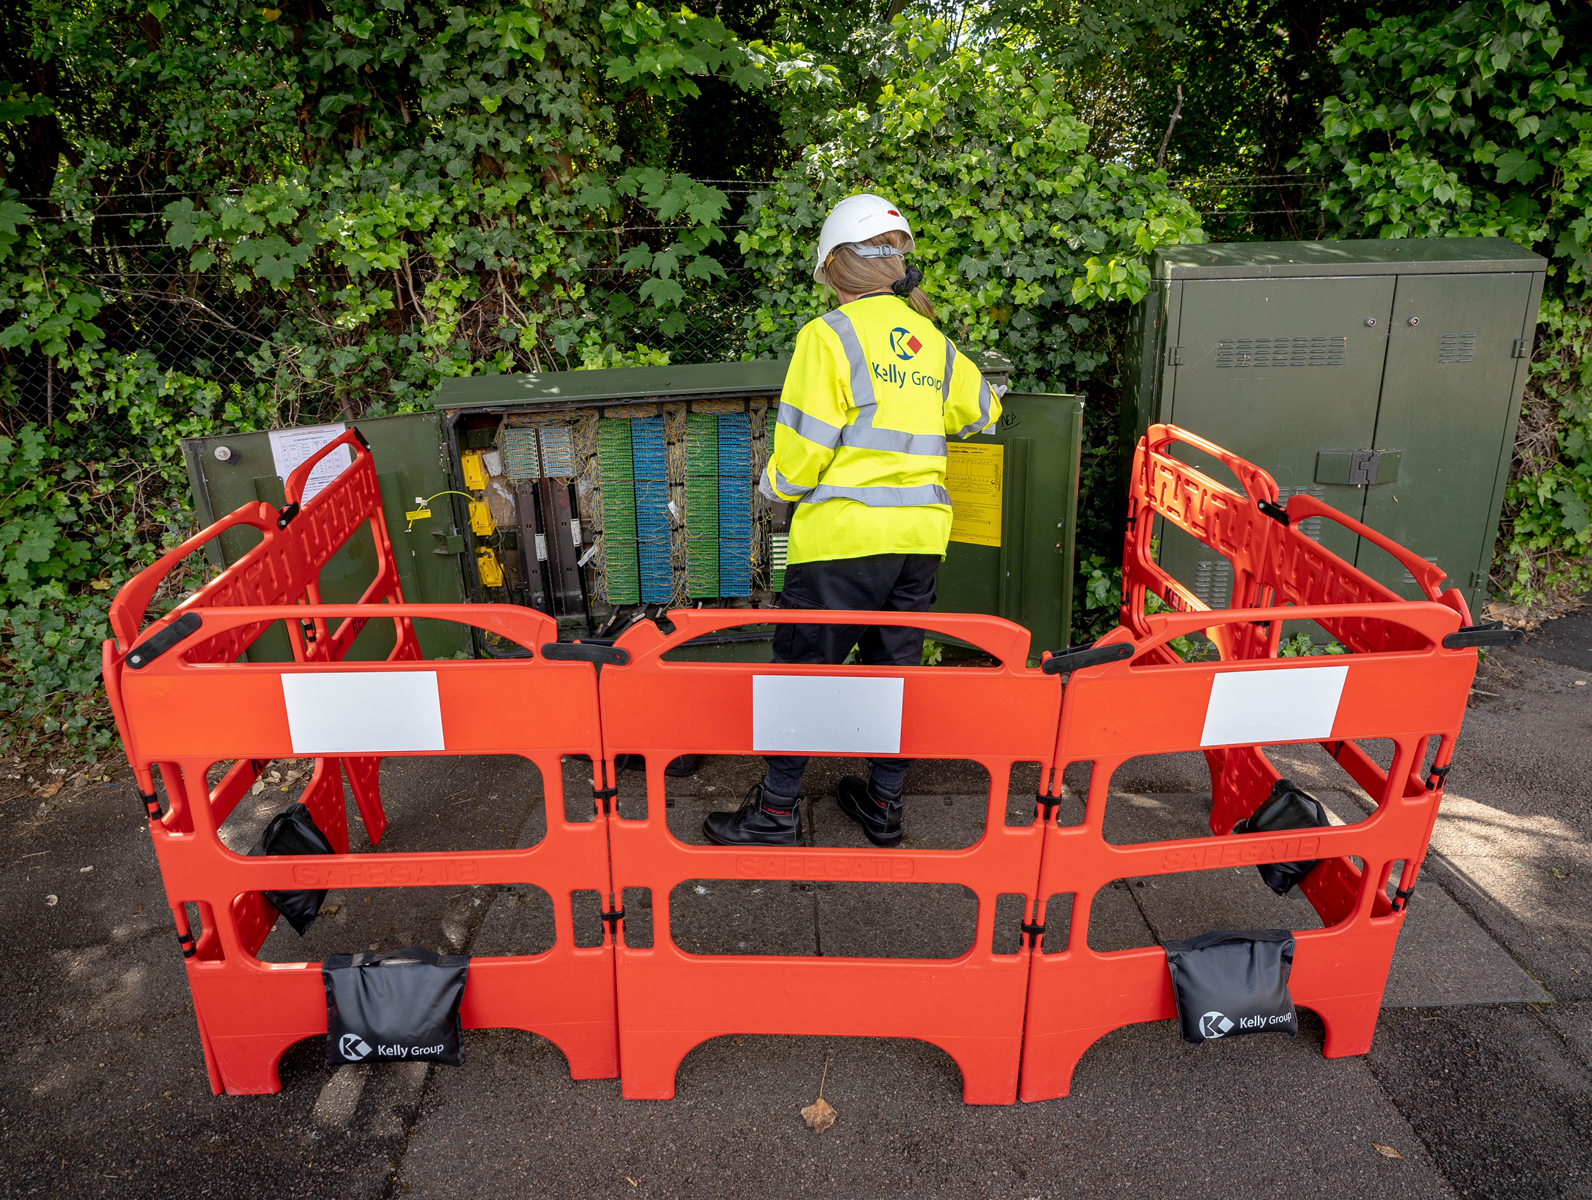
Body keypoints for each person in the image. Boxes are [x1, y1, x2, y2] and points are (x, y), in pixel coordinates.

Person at [703, 193, 1002, 850]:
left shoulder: (827, 335)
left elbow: (803, 451)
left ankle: (775, 813)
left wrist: (772, 487)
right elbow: (983, 411)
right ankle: (884, 807)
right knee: (894, 673)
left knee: (806, 672)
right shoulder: (933, 341)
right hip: (919, 542)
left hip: (839, 541)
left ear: (836, 268)